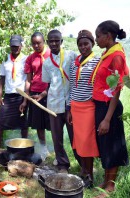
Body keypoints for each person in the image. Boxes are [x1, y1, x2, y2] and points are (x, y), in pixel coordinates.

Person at [93, 20, 129, 195]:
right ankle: (106, 180)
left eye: (98, 36)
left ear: (108, 36)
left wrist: (107, 119)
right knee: (105, 145)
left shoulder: (116, 57)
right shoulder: (108, 52)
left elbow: (116, 90)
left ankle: (111, 187)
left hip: (110, 108)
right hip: (101, 105)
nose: (96, 39)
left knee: (112, 146)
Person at [42, 29, 80, 173]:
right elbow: (48, 83)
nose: (54, 43)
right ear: (47, 43)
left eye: (56, 40)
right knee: (57, 137)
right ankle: (63, 164)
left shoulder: (71, 56)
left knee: (75, 136)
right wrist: (42, 95)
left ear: (61, 41)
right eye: (51, 41)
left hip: (72, 103)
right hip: (54, 104)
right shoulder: (46, 63)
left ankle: (83, 163)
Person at [67, 30, 100, 188]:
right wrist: (69, 109)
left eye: (86, 44)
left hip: (88, 107)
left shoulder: (97, 61)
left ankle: (90, 176)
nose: (83, 47)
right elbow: (72, 85)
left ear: (92, 44)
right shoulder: (76, 61)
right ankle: (84, 170)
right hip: (75, 106)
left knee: (87, 143)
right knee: (79, 142)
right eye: (80, 44)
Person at [19, 32, 51, 160]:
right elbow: (28, 80)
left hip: (50, 93)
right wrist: (26, 99)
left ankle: (58, 151)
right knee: (39, 124)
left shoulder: (51, 55)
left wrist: (45, 93)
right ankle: (44, 148)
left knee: (53, 123)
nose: (36, 45)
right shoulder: (30, 58)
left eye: (39, 43)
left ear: (44, 42)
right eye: (34, 43)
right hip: (35, 94)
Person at [0, 35, 28, 148]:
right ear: (10, 46)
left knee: (23, 124)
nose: (15, 48)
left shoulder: (26, 59)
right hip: (8, 96)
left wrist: (25, 100)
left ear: (21, 46)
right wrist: (0, 96)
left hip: (21, 96)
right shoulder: (5, 58)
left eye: (17, 46)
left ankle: (24, 148)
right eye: (13, 46)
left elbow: (28, 80)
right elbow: (2, 78)